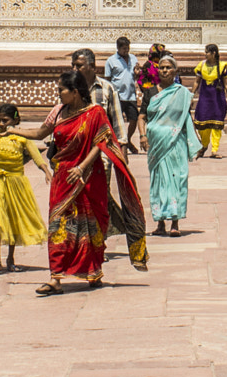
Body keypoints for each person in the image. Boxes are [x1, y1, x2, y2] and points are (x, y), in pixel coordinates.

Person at [31, 69, 148, 295]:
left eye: (61, 90)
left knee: (91, 223)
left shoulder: (95, 112)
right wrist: (10, 131)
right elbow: (39, 133)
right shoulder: (58, 112)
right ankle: (56, 277)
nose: (58, 94)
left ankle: (93, 271)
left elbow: (102, 140)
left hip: (88, 176)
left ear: (75, 92)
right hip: (63, 178)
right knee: (58, 225)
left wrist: (82, 167)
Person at [0, 103, 49, 274]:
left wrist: (45, 170)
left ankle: (10, 259)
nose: (1, 124)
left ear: (15, 120)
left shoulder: (22, 137)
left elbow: (35, 154)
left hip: (15, 181)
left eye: (5, 120)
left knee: (12, 219)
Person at [143, 63, 200, 235]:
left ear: (175, 71)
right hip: (156, 144)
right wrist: (142, 135)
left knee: (177, 180)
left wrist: (194, 140)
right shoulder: (151, 92)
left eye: (168, 67)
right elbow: (141, 117)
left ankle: (175, 222)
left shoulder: (181, 94)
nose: (165, 70)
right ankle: (160, 223)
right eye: (162, 67)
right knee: (159, 181)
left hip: (176, 143)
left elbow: (186, 118)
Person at [191, 43, 227, 158]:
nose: (205, 54)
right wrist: (191, 96)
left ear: (213, 53)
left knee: (217, 124)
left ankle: (214, 150)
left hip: (217, 99)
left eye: (207, 52)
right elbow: (196, 82)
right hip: (204, 98)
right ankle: (204, 145)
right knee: (202, 124)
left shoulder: (222, 66)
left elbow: (226, 84)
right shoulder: (201, 65)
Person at [104, 36, 140, 153]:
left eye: (127, 48)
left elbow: (136, 76)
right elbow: (108, 79)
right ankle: (119, 142)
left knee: (134, 119)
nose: (126, 51)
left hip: (131, 95)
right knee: (116, 121)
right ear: (118, 48)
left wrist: (137, 74)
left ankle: (128, 139)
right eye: (124, 48)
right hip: (117, 95)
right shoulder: (111, 61)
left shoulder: (133, 58)